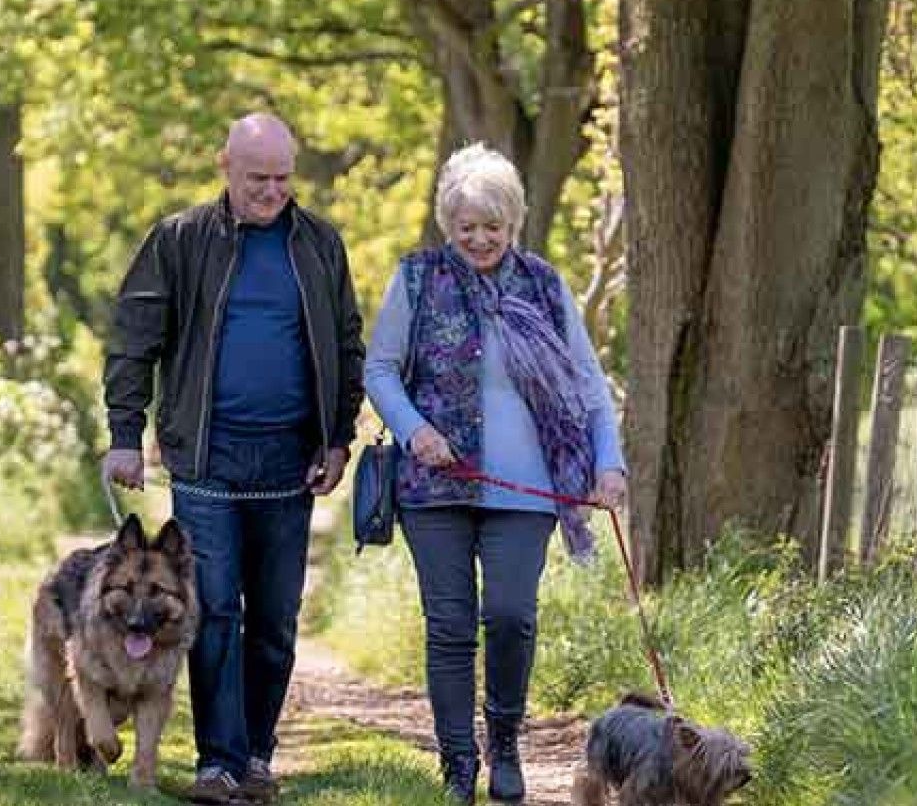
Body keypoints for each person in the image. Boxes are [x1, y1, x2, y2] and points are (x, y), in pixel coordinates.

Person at [103, 113, 366, 805]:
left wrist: (338, 437)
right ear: (226, 166)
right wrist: (126, 433)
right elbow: (134, 337)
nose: (273, 192)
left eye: (283, 178)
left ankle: (256, 754)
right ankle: (217, 762)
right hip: (208, 461)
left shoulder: (318, 245)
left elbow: (346, 343)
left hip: (290, 463)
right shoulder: (181, 240)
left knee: (276, 619)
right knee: (216, 611)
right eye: (259, 179)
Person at [364, 143, 629, 805]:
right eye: (466, 226)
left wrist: (609, 462)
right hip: (436, 489)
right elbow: (379, 370)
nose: (480, 239)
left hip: (528, 489)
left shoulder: (543, 284)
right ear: (447, 223)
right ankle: (457, 764)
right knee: (449, 625)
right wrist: (413, 429)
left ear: (513, 224)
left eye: (493, 226)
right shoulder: (418, 278)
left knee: (511, 615)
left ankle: (504, 740)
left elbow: (589, 386)